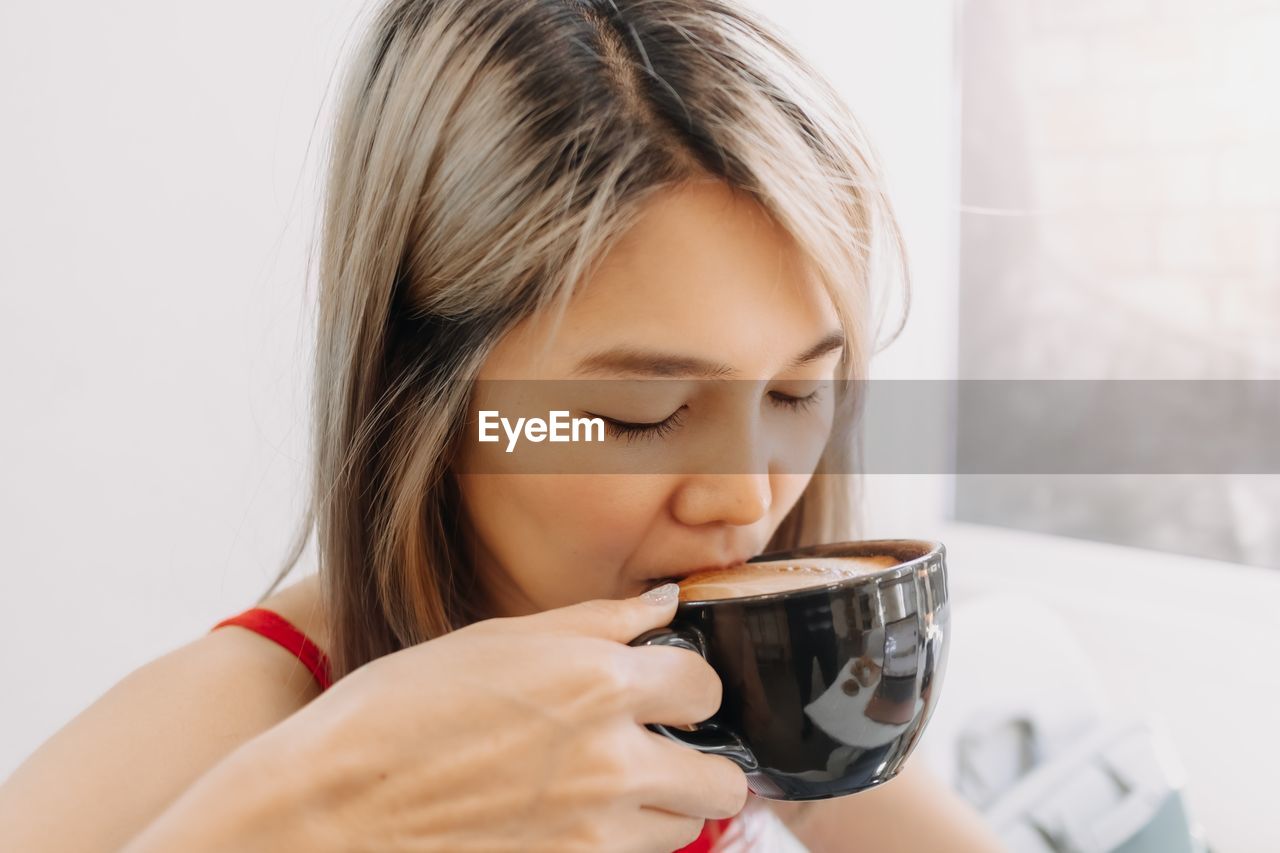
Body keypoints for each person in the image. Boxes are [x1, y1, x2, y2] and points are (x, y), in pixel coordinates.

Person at [0, 1, 1008, 850]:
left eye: (795, 395)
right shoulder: (248, 712)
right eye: (642, 413)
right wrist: (321, 802)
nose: (748, 496)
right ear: (422, 394)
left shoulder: (739, 676)